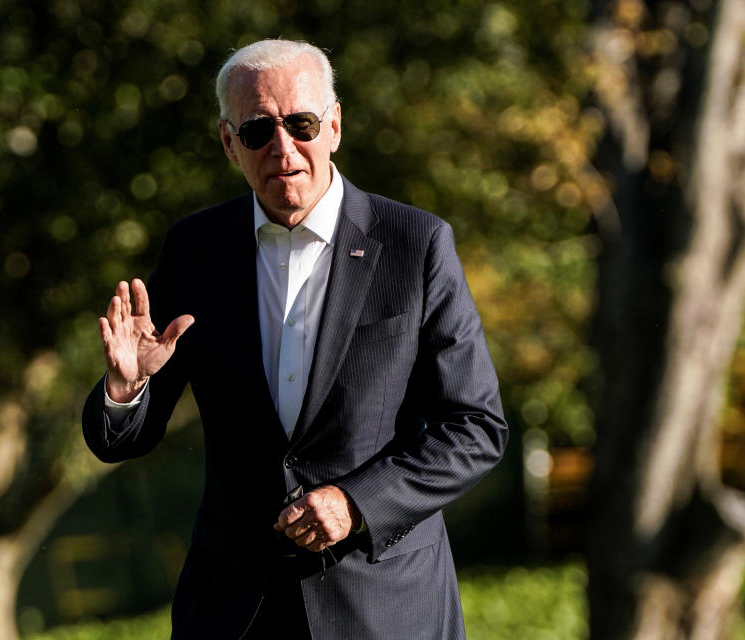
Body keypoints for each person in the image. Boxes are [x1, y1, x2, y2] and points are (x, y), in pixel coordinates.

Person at [82, 38, 507, 640]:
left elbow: (475, 427)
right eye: (257, 131)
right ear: (229, 143)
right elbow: (124, 438)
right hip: (234, 610)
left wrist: (357, 504)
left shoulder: (417, 245)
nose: (283, 148)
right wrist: (127, 389)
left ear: (334, 125)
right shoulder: (194, 251)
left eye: (302, 123)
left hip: (383, 609)